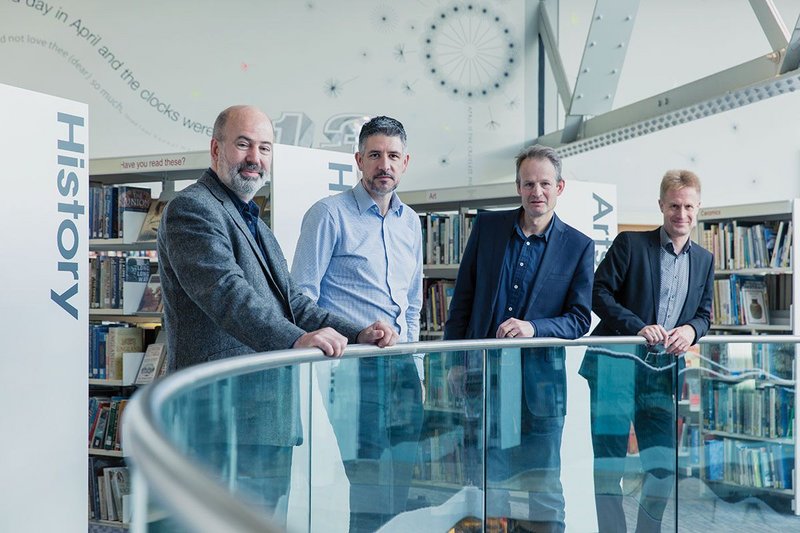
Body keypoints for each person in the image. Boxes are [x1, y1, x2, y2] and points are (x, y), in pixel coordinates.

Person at [157, 105, 398, 523]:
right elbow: (226, 295)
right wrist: (294, 340)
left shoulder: (255, 223)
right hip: (220, 418)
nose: (255, 157)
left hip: (265, 419)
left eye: (264, 147)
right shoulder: (192, 209)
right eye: (243, 144)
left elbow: (294, 304)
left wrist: (358, 333)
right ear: (216, 149)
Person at [445, 144, 594, 533]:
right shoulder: (487, 228)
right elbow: (462, 299)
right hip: (484, 382)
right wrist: (453, 362)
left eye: (545, 183)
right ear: (518, 187)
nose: (537, 192)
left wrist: (534, 327)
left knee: (543, 490)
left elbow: (579, 320)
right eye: (529, 183)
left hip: (540, 389)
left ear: (559, 187)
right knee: (487, 487)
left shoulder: (578, 246)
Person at [292, 115, 424, 532]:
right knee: (365, 486)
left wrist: (414, 360)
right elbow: (301, 298)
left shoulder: (411, 222)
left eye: (393, 156)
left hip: (402, 371)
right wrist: (350, 334)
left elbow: (414, 302)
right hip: (350, 371)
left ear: (405, 162)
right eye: (375, 155)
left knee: (398, 486)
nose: (384, 164)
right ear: (358, 161)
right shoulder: (328, 215)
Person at [579, 170, 714, 533]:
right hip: (615, 367)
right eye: (673, 205)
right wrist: (638, 326)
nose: (680, 214)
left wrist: (690, 329)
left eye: (688, 206)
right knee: (609, 468)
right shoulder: (630, 244)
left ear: (698, 208)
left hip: (661, 372)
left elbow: (705, 316)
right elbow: (598, 294)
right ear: (661, 205)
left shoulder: (704, 259)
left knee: (663, 468)